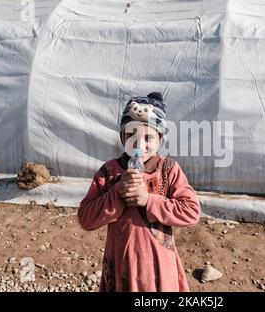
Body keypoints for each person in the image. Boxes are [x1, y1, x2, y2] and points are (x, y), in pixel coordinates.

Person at [77, 92, 201, 292]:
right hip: (121, 269)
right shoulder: (110, 172)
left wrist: (148, 200)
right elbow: (86, 218)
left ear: (160, 139)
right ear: (122, 137)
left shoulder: (168, 170)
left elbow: (191, 212)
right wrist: (117, 192)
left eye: (148, 137)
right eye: (131, 135)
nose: (139, 144)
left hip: (158, 270)